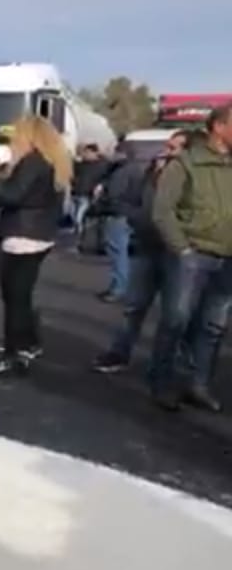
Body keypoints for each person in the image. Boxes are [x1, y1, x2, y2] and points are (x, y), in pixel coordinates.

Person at [148, 105, 232, 411]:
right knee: (175, 321)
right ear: (219, 127)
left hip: (227, 259)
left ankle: (198, 385)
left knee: (212, 327)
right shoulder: (186, 163)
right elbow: (162, 211)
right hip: (192, 255)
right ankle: (161, 384)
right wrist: (182, 250)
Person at [0, 116, 71, 377]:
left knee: (14, 299)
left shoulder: (32, 162)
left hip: (22, 235)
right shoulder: (52, 162)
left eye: (17, 135)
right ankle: (24, 345)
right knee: (20, 296)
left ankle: (13, 355)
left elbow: (12, 195)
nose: (13, 140)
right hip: (39, 234)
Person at [91, 130, 189, 376]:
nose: (165, 151)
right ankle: (119, 353)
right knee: (134, 307)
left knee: (175, 314)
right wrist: (138, 218)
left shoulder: (192, 178)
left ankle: (168, 364)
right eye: (166, 145)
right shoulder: (150, 172)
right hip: (147, 246)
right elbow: (130, 202)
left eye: (173, 147)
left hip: (178, 252)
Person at [70, 143, 108, 237]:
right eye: (85, 152)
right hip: (75, 194)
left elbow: (106, 178)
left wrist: (100, 186)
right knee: (74, 216)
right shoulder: (80, 164)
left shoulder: (102, 165)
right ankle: (79, 233)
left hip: (87, 195)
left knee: (79, 217)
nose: (85, 154)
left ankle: (80, 234)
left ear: (95, 153)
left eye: (88, 152)